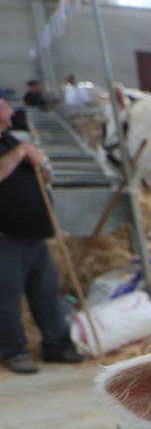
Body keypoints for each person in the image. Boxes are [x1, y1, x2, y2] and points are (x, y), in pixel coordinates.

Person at [0, 98, 83, 374]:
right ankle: (14, 351)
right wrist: (23, 152)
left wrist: (42, 165)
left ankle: (57, 344)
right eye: (5, 106)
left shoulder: (11, 140)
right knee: (7, 296)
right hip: (5, 234)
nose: (11, 111)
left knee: (47, 291)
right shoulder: (15, 147)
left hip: (34, 232)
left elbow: (41, 176)